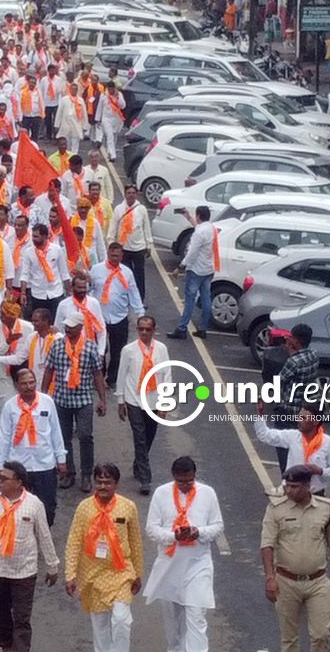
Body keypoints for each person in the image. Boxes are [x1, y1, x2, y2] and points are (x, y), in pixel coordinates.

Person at [0, 461, 60, 652]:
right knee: (2, 616)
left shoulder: (34, 504)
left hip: (24, 572)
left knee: (21, 619)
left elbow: (44, 536)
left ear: (19, 483)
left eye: (5, 478)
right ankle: (6, 647)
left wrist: (52, 565)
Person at [260, 465, 330, 652]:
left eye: (295, 486)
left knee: (321, 635)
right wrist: (270, 578)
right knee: (289, 639)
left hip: (317, 582)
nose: (289, 490)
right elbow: (267, 545)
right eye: (287, 486)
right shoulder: (276, 509)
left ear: (308, 486)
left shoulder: (325, 508)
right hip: (286, 582)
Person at [143, 456, 225, 652]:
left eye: (190, 481)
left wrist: (199, 532)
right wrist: (174, 536)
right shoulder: (161, 494)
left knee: (197, 616)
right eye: (181, 482)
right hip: (169, 566)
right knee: (173, 625)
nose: (186, 486)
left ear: (195, 475)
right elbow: (151, 529)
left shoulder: (207, 493)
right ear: (173, 476)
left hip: (198, 564)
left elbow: (218, 526)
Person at [64, 463, 145, 652]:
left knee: (121, 620)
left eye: (107, 482)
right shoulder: (84, 508)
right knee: (100, 626)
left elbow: (136, 542)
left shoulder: (128, 507)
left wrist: (138, 574)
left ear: (116, 484)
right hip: (92, 574)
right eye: (99, 482)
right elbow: (74, 542)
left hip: (121, 573)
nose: (102, 486)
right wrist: (70, 575)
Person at [41, 313, 107, 492]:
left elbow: (97, 374)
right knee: (63, 438)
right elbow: (49, 370)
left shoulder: (90, 347)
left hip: (83, 399)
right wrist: (43, 395)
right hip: (61, 399)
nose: (67, 329)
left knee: (85, 436)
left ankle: (86, 474)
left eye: (72, 326)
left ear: (80, 328)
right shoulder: (57, 345)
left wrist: (102, 399)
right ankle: (68, 472)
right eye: (66, 326)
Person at [0, 368, 66, 527]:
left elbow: (55, 431)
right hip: (19, 466)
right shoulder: (10, 406)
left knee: (48, 507)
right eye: (24, 384)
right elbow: (4, 437)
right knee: (19, 508)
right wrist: (0, 465)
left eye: (32, 382)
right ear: (16, 385)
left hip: (45, 465)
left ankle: (44, 535)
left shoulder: (47, 402)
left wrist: (61, 458)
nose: (29, 387)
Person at [115, 316, 171, 495]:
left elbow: (166, 375)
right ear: (137, 330)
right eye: (141, 329)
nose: (144, 332)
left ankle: (138, 463)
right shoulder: (129, 350)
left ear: (153, 330)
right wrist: (121, 401)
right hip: (134, 400)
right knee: (139, 437)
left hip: (154, 400)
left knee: (149, 436)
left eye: (148, 329)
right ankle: (145, 479)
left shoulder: (161, 349)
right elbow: (122, 374)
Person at [255, 402, 330, 495]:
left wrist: (320, 471)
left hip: (315, 495)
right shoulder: (292, 436)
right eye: (299, 416)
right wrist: (260, 414)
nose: (298, 420)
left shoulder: (329, 443)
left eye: (303, 418)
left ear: (315, 421)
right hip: (291, 495)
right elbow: (264, 435)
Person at [266, 323, 321, 473]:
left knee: (283, 446)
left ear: (296, 341)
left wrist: (290, 353)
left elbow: (278, 380)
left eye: (291, 337)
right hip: (302, 408)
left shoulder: (294, 361)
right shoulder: (314, 355)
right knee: (299, 447)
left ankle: (287, 477)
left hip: (288, 410)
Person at [91, 243, 145, 390]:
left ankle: (112, 378)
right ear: (108, 254)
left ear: (122, 256)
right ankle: (99, 376)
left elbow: (133, 293)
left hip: (120, 317)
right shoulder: (96, 270)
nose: (114, 258)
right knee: (100, 349)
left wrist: (140, 313)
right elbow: (90, 289)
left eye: (117, 256)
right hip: (99, 318)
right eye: (112, 255)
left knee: (118, 351)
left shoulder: (127, 273)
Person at [168, 206, 216, 340]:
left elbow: (192, 252)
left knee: (189, 300)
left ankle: (182, 328)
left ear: (198, 215)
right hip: (208, 269)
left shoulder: (199, 233)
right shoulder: (211, 228)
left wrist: (181, 266)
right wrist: (188, 217)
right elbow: (199, 229)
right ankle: (202, 329)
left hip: (196, 270)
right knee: (206, 299)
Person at [108, 185, 152, 300]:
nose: (131, 195)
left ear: (136, 194)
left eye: (133, 193)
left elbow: (146, 227)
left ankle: (140, 300)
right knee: (124, 275)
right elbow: (113, 226)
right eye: (129, 193)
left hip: (139, 248)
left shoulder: (141, 209)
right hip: (123, 248)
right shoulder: (119, 209)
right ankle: (126, 298)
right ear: (125, 194)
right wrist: (111, 242)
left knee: (139, 276)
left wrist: (149, 245)